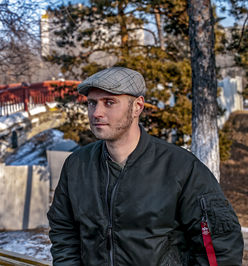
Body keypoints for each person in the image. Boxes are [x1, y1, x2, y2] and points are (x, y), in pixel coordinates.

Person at [47, 67, 243, 265]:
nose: (97, 113)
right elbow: (64, 231)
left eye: (109, 103)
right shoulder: (77, 165)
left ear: (137, 106)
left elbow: (219, 244)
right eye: (92, 103)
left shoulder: (180, 167)